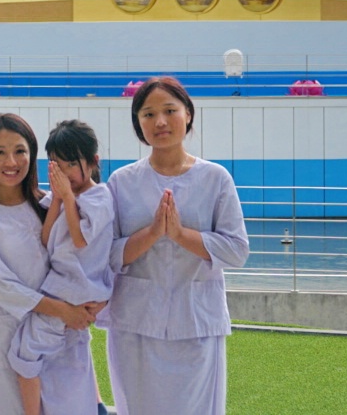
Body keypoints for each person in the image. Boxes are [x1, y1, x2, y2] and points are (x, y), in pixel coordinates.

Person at [106, 78, 248, 415]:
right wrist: (153, 233)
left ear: (188, 115)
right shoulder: (121, 182)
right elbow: (107, 255)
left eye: (170, 111)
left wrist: (181, 234)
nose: (160, 122)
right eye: (148, 114)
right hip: (136, 324)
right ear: (138, 123)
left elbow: (237, 250)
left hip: (196, 323)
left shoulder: (215, 179)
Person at [0, 113, 100, 415]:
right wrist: (63, 310)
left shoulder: (49, 205)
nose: (11, 161)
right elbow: (1, 286)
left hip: (59, 340)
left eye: (20, 151)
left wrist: (86, 307)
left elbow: (79, 262)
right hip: (1, 344)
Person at [9, 120, 114, 415]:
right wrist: (58, 199)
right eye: (56, 164)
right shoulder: (62, 196)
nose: (64, 172)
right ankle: (94, 406)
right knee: (61, 354)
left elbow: (80, 240)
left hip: (74, 289)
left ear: (93, 162)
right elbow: (46, 239)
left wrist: (67, 197)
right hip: (64, 287)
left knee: (26, 352)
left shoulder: (99, 197)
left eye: (70, 163)